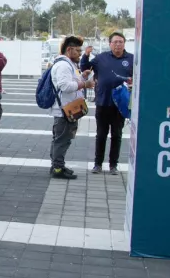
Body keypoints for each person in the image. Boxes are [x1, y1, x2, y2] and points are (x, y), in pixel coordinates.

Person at [80, 33, 134, 175]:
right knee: (101, 135)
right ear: (110, 44)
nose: (118, 44)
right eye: (115, 42)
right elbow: (85, 67)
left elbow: (138, 76)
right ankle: (97, 164)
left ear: (124, 43)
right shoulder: (101, 58)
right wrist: (86, 55)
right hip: (103, 102)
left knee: (117, 135)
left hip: (120, 104)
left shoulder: (131, 59)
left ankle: (113, 165)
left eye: (121, 42)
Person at [50, 36, 94, 179]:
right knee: (62, 140)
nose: (80, 53)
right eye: (78, 50)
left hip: (68, 109)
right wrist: (85, 84)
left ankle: (58, 165)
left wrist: (82, 76)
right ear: (69, 49)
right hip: (65, 110)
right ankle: (57, 168)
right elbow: (65, 86)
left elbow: (71, 81)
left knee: (62, 139)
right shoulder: (63, 65)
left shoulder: (69, 64)